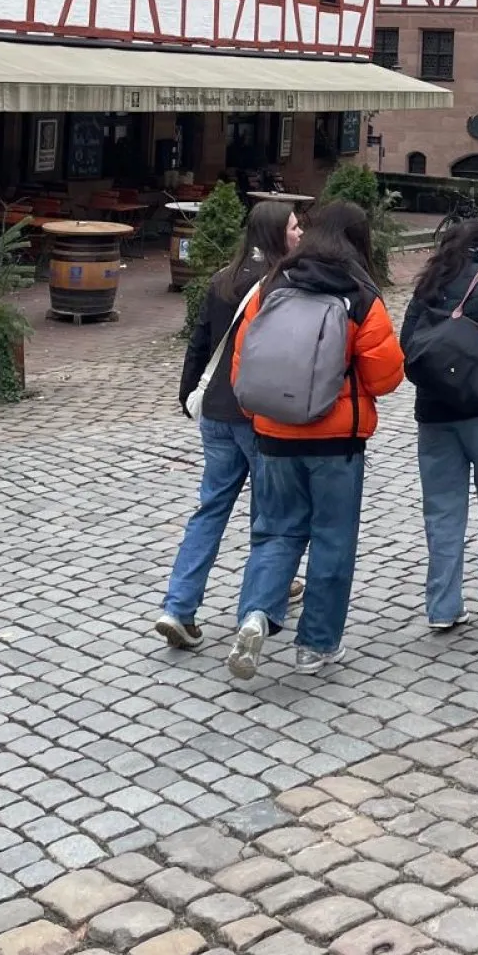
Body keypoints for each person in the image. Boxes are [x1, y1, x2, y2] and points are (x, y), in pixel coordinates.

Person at [226, 229, 404, 678]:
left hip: (273, 435)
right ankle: (316, 644)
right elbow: (386, 378)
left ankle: (256, 615)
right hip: (335, 443)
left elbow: (240, 366)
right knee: (332, 538)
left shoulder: (268, 291)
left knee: (276, 532)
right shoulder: (361, 298)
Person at [156, 200, 301, 649]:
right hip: (255, 414)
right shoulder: (281, 284)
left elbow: (199, 345)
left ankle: (179, 607)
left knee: (210, 509)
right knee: (269, 513)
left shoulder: (221, 278)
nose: (301, 235)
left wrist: (186, 397)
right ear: (277, 233)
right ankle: (258, 604)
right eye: (296, 228)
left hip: (215, 414)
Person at [401, 220, 478, 630]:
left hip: (434, 412)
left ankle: (442, 606)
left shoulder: (428, 282)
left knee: (441, 509)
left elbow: (408, 344)